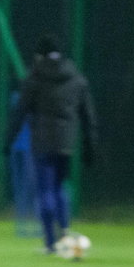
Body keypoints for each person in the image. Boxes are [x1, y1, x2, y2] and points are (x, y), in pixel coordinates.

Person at [6, 34, 97, 254]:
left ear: (40, 55)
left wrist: (8, 139)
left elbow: (21, 112)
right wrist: (90, 144)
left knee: (45, 189)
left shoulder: (34, 78)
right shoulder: (76, 78)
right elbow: (88, 115)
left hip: (43, 141)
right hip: (67, 142)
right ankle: (64, 232)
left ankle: (50, 242)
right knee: (59, 187)